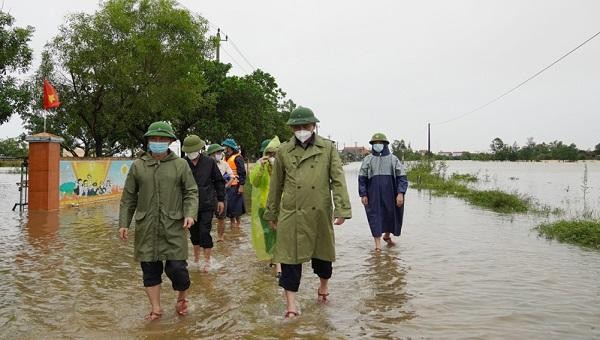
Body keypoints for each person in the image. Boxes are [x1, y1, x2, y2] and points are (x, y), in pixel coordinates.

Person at [263, 106, 351, 319]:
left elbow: (338, 180)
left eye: (306, 126)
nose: (301, 129)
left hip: (319, 211)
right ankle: (291, 306)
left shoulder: (328, 148)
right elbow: (276, 185)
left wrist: (342, 208)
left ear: (314, 126)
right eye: (297, 126)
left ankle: (323, 287)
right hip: (291, 212)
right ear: (292, 128)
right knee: (289, 259)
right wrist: (272, 213)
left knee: (322, 258)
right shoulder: (284, 150)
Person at [118, 121, 198, 321]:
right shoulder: (138, 166)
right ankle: (156, 309)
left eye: (163, 139)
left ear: (170, 141)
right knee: (150, 269)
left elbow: (191, 192)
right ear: (148, 141)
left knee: (178, 269)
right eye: (154, 139)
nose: (158, 142)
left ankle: (181, 297)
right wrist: (123, 224)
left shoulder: (180, 165)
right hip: (147, 226)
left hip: (174, 225)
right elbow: (128, 198)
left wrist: (190, 213)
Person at [182, 135, 225, 272]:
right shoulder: (182, 163)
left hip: (207, 202)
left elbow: (219, 181)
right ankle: (196, 259)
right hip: (189, 205)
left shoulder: (209, 162)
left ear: (200, 149)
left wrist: (220, 199)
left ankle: (207, 261)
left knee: (204, 231)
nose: (191, 154)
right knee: (194, 233)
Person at [358, 133, 408, 252]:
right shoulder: (368, 159)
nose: (377, 145)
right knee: (375, 216)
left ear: (385, 144)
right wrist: (363, 194)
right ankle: (378, 247)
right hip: (373, 194)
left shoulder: (393, 159)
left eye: (380, 143)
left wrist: (400, 193)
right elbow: (362, 178)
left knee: (391, 214)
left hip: (391, 193)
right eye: (375, 143)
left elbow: (402, 177)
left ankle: (386, 236)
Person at [249, 137, 281, 277]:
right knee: (268, 234)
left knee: (280, 232)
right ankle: (274, 260)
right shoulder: (258, 165)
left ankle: (280, 262)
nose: (271, 157)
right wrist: (261, 167)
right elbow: (255, 182)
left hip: (280, 205)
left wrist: (275, 166)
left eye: (273, 154)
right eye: (268, 154)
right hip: (264, 206)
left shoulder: (281, 164)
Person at [206, 143, 235, 241]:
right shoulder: (205, 164)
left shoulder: (224, 164)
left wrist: (225, 187)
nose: (220, 154)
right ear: (211, 154)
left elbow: (232, 176)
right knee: (206, 216)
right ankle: (206, 236)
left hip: (220, 194)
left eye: (220, 152)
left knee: (221, 217)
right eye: (217, 152)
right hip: (207, 193)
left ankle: (220, 237)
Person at [222, 138, 246, 229]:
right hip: (228, 185)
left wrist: (241, 186)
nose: (225, 149)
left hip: (236, 186)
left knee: (237, 206)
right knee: (230, 207)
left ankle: (238, 225)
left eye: (226, 147)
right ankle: (232, 224)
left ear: (230, 148)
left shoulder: (238, 158)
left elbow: (242, 173)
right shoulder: (225, 158)